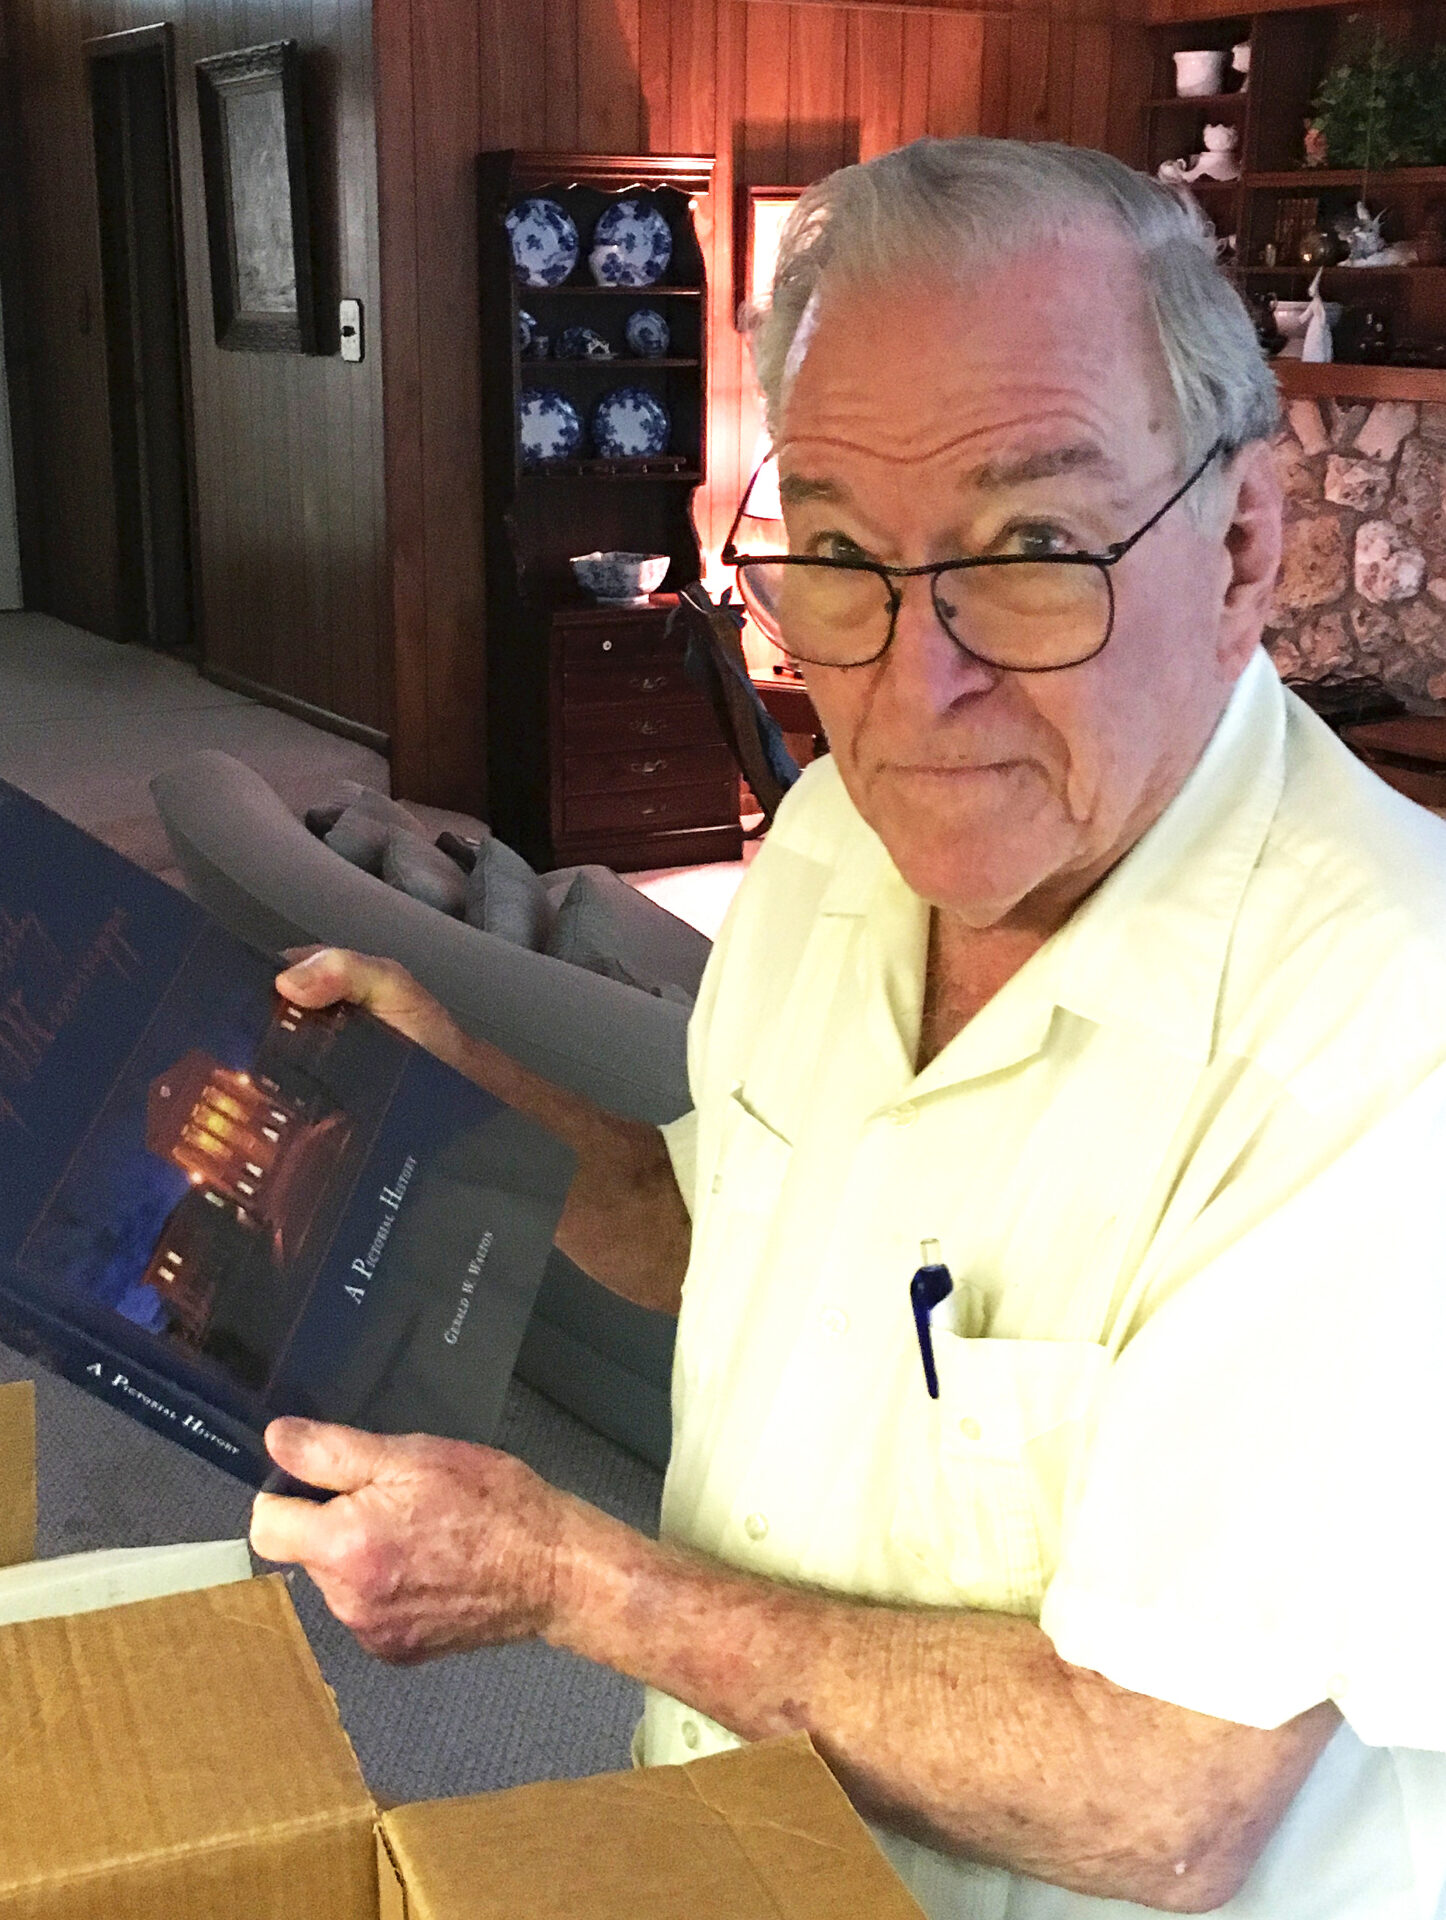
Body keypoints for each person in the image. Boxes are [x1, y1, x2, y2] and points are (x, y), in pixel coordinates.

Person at [249, 138, 1446, 1915]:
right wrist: (463, 1085)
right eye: (835, 549)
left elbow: (1167, 1795)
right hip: (752, 1857)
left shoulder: (1382, 1024)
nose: (913, 677)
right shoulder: (828, 843)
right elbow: (724, 1227)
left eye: (1030, 543)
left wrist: (570, 1582)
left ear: (1245, 542)